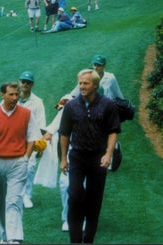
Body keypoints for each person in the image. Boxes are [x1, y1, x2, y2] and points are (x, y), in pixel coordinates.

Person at [59, 69, 121, 243]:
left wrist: (108, 154)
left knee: (94, 201)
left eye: (85, 83)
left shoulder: (108, 105)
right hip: (77, 156)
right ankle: (75, 240)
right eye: (80, 83)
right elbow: (64, 133)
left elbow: (113, 131)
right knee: (75, 196)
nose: (82, 86)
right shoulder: (71, 106)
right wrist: (63, 158)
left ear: (95, 85)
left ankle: (89, 239)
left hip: (98, 158)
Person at [0, 82, 41, 244]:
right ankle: (4, 236)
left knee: (14, 201)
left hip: (18, 163)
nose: (15, 98)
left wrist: (25, 159)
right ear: (2, 95)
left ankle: (14, 238)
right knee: (0, 201)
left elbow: (33, 138)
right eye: (11, 94)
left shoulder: (26, 114)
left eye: (17, 94)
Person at [18, 71, 46, 208]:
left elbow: (41, 124)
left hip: (30, 140)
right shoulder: (11, 98)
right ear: (19, 82)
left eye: (28, 82)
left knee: (28, 168)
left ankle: (26, 195)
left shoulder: (37, 102)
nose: (25, 84)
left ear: (32, 84)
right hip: (13, 139)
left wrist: (40, 146)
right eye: (23, 81)